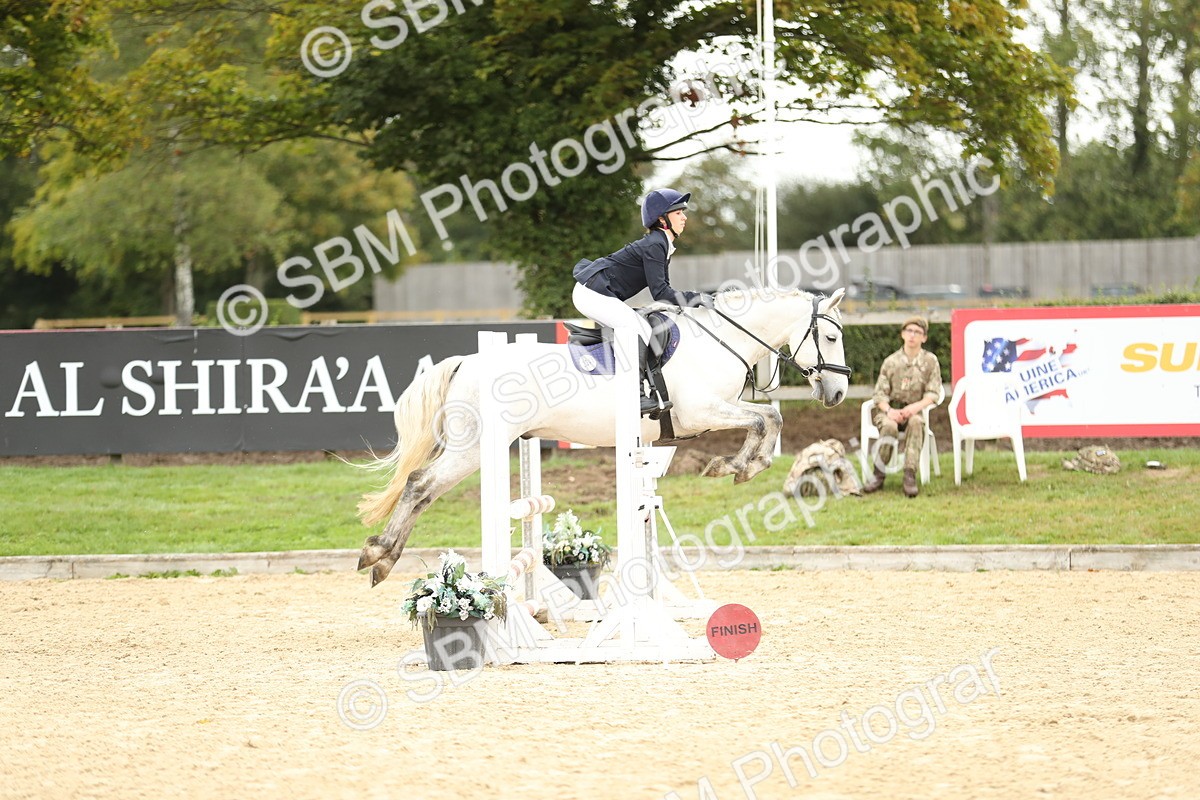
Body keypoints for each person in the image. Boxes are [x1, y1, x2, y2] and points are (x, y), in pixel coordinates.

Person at [572, 188, 714, 417]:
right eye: (678, 212)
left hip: (597, 292)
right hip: (590, 293)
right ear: (662, 219)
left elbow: (663, 290)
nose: (684, 217)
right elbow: (661, 293)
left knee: (640, 326)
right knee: (636, 328)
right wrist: (696, 298)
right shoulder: (655, 244)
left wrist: (692, 299)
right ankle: (635, 396)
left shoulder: (662, 243)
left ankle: (648, 390)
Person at [863, 316, 943, 498]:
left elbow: (933, 393)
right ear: (902, 334)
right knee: (889, 427)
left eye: (918, 332)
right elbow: (879, 394)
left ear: (924, 338)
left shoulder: (930, 361)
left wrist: (915, 408)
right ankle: (878, 475)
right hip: (890, 411)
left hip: (915, 410)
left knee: (916, 424)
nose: (912, 335)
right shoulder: (891, 362)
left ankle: (909, 475)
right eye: (909, 331)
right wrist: (890, 411)